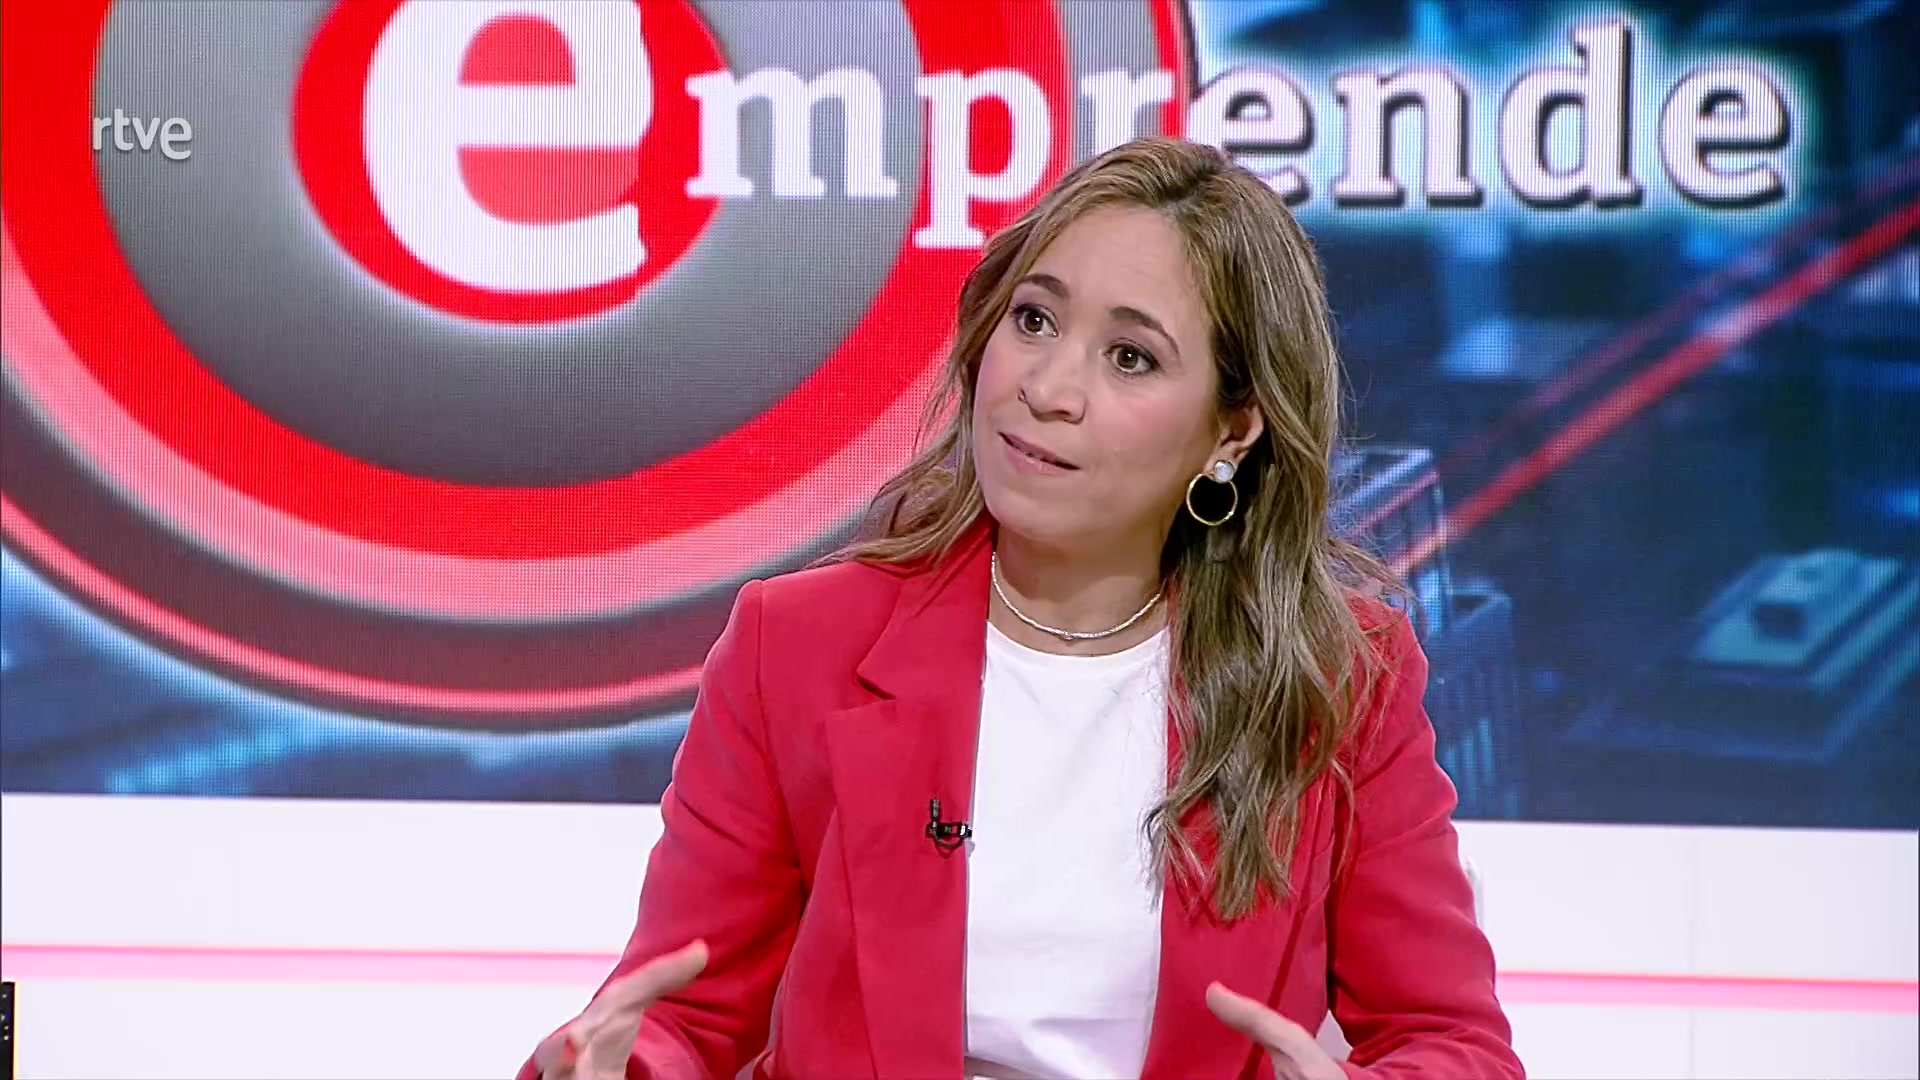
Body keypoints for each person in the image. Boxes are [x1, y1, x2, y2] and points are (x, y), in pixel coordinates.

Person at [519, 136, 1524, 1080]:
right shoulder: (798, 646)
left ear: (1232, 431)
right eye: (1035, 320)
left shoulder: (1338, 678)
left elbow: (1452, 1042)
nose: (1047, 388)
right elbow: (681, 1020)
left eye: (1129, 357)